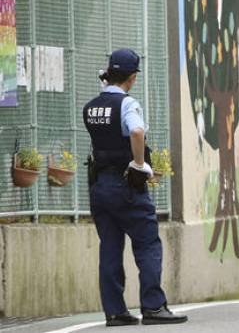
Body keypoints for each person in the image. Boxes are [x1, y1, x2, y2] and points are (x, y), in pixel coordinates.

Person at [83, 49, 187, 327]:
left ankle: (115, 312)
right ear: (132, 77)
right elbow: (137, 132)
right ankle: (153, 307)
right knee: (147, 244)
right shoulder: (128, 105)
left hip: (99, 186)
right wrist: (139, 164)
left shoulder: (92, 106)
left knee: (110, 248)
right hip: (125, 185)